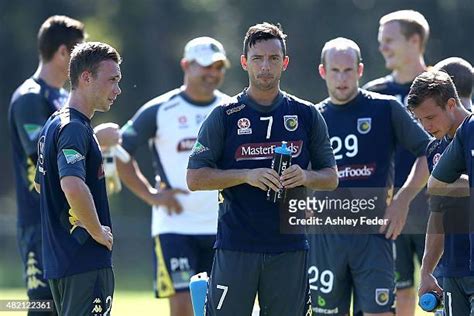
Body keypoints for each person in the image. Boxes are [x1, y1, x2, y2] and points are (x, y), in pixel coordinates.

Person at [187, 22, 338, 315]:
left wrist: (305, 176)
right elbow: (194, 177)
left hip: (290, 246)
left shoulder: (306, 114)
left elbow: (331, 177)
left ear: (285, 63)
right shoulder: (225, 115)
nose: (265, 67)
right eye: (257, 59)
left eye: (273, 59)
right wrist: (246, 175)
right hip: (236, 245)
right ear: (245, 62)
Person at [309, 37, 430, 316]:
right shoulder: (311, 117)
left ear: (360, 70)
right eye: (335, 71)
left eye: (348, 70)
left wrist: (402, 200)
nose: (342, 78)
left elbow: (429, 153)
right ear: (323, 72)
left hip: (373, 237)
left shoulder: (385, 108)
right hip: (326, 240)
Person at [114, 36, 231, 316]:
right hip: (174, 228)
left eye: (218, 67)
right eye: (205, 66)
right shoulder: (160, 109)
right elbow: (120, 152)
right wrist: (151, 195)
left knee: (224, 304)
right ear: (186, 66)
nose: (212, 74)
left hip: (223, 225)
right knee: (182, 306)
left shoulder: (232, 108)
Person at [34, 41, 122, 315]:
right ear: (86, 78)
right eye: (112, 80)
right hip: (84, 261)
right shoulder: (74, 128)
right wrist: (97, 230)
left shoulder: (55, 123)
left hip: (61, 262)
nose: (117, 90)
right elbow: (71, 184)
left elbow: (40, 183)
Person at [7, 16, 85, 315]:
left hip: (64, 216)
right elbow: (37, 149)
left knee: (70, 304)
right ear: (64, 52)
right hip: (37, 221)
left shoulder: (65, 97)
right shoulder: (29, 97)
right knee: (42, 306)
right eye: (79, 51)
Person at [363, 10, 431, 315]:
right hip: (390, 213)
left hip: (439, 210)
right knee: (399, 292)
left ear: (414, 41)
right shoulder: (375, 94)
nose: (382, 48)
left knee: (442, 291)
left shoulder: (443, 88)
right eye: (381, 42)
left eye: (389, 40)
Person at [408, 69, 473, 315]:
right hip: (452, 272)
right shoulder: (435, 149)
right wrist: (426, 272)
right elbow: (437, 216)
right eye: (419, 120)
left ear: (451, 104)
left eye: (431, 117)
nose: (426, 126)